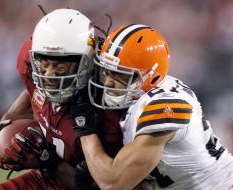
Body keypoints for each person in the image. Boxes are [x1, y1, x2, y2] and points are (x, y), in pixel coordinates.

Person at [0, 9, 153, 190]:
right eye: (44, 65)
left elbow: (130, 185)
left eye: (60, 66)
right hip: (43, 179)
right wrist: (6, 126)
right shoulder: (30, 59)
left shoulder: (113, 101)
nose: (49, 75)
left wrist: (52, 162)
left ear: (87, 62)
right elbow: (34, 88)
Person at [72, 24, 233, 190]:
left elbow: (113, 184)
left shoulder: (164, 104)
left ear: (151, 76)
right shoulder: (147, 94)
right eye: (107, 72)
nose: (108, 82)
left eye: (120, 74)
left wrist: (85, 131)